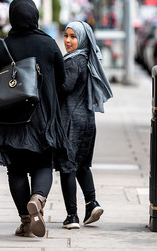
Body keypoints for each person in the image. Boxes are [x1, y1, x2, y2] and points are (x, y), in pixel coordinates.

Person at [0, 0, 74, 238]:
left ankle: (25, 221)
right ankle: (38, 198)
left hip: (10, 119)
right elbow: (62, 81)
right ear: (34, 16)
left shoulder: (1, 46)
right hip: (42, 117)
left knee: (16, 169)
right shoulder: (48, 44)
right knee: (44, 162)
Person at [58, 20, 113, 229]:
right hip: (87, 119)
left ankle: (71, 215)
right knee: (82, 165)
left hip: (71, 120)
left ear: (82, 40)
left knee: (67, 167)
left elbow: (65, 87)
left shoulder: (74, 61)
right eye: (66, 36)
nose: (69, 41)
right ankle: (92, 204)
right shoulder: (87, 58)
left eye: (74, 37)